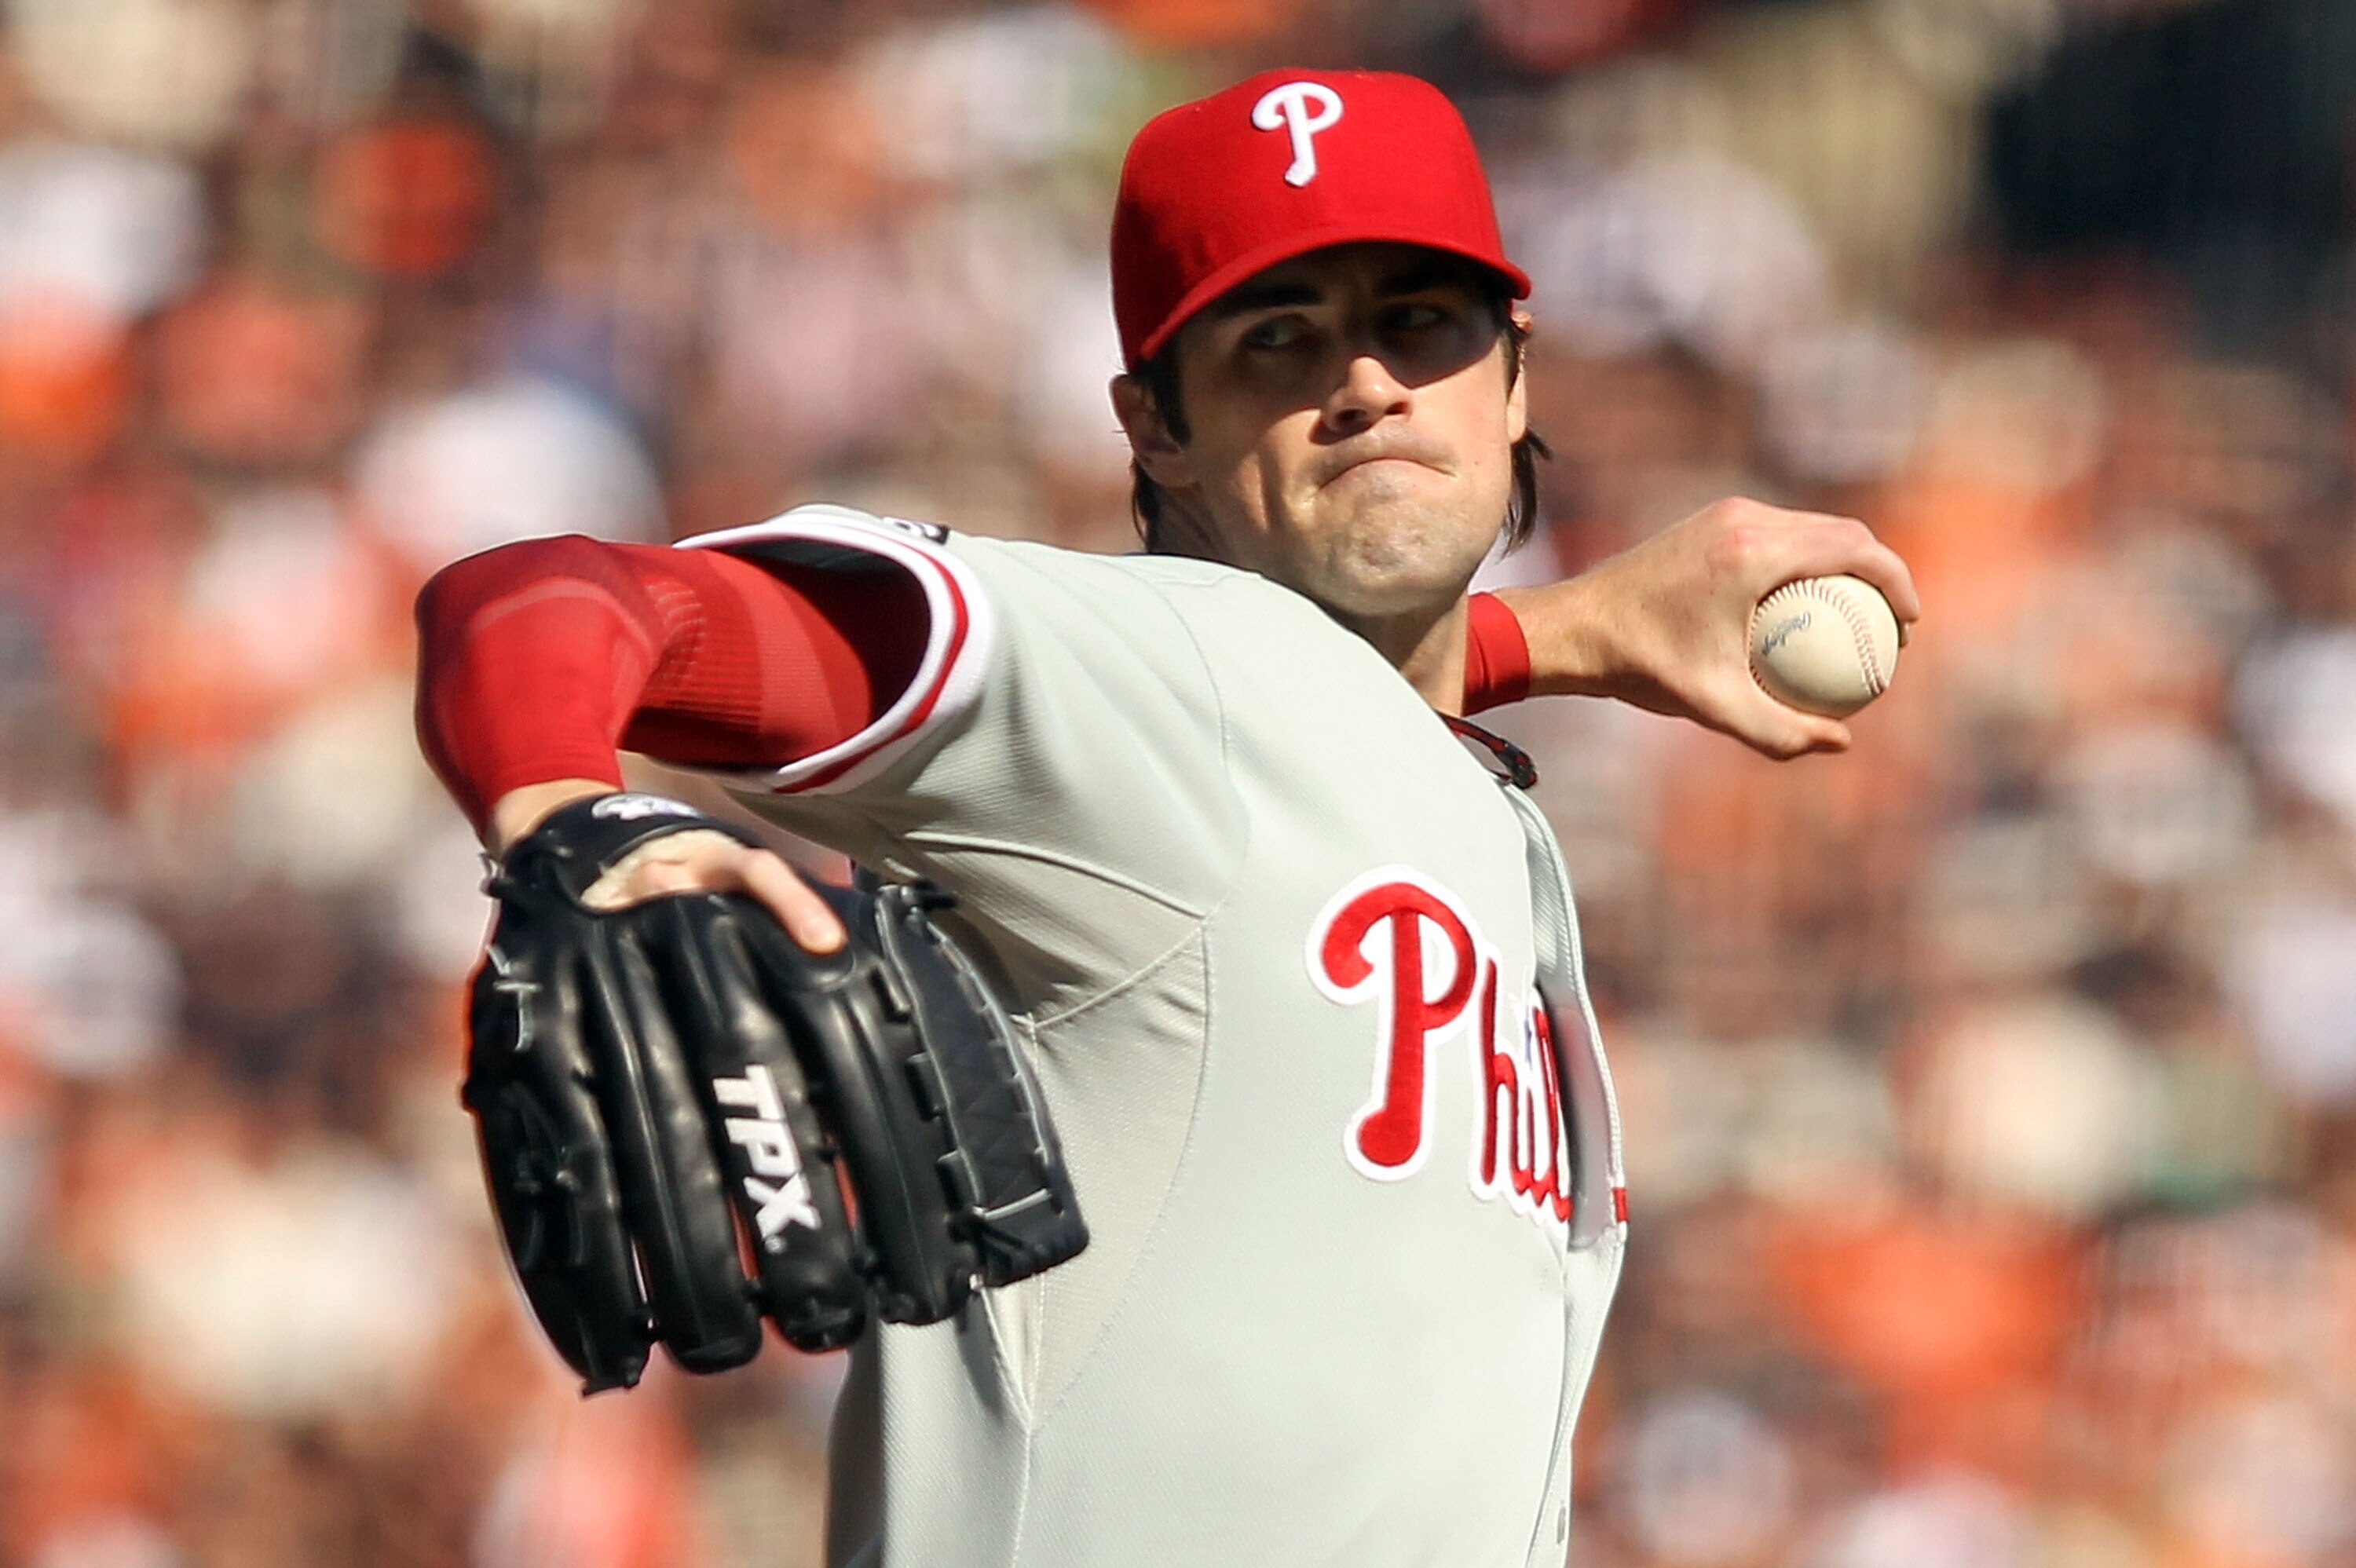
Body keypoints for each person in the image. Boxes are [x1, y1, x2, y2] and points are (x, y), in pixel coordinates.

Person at [415, 68, 1917, 1568]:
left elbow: (1337, 716)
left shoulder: (1427, 771)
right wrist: (568, 830)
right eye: (1282, 339)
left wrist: (1558, 638)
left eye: (1421, 322)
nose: (1370, 383)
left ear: (1516, 376)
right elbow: (547, 599)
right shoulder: (1151, 660)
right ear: (1157, 431)